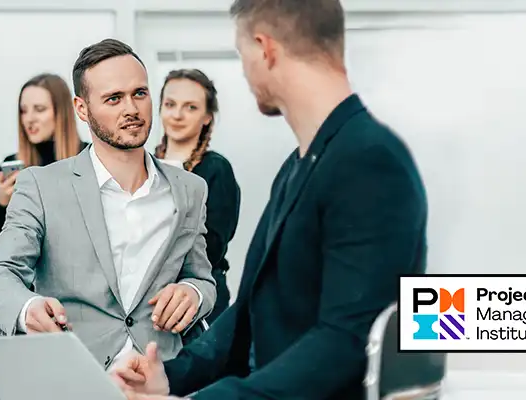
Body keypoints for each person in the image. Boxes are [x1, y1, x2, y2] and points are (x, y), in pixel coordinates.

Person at [110, 0, 428, 398]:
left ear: (265, 49)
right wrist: (171, 376)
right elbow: (248, 313)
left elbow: (346, 341)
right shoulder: (298, 166)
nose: (245, 71)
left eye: (243, 55)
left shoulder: (370, 160)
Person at [0, 39, 219, 369]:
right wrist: (26, 308)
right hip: (76, 374)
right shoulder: (41, 185)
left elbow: (203, 277)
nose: (131, 109)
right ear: (81, 109)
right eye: (113, 98)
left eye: (139, 93)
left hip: (160, 375)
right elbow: (0, 273)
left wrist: (193, 292)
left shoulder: (191, 189)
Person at [155, 69, 242, 334]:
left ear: (207, 117)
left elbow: (211, 248)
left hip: (201, 300)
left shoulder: (217, 170)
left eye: (190, 107)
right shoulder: (142, 166)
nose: (177, 115)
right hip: (151, 301)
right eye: (170, 105)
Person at [0, 73, 86, 228]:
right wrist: (2, 204)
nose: (29, 119)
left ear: (61, 112)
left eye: (40, 109)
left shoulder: (89, 158)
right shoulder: (12, 165)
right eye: (23, 111)